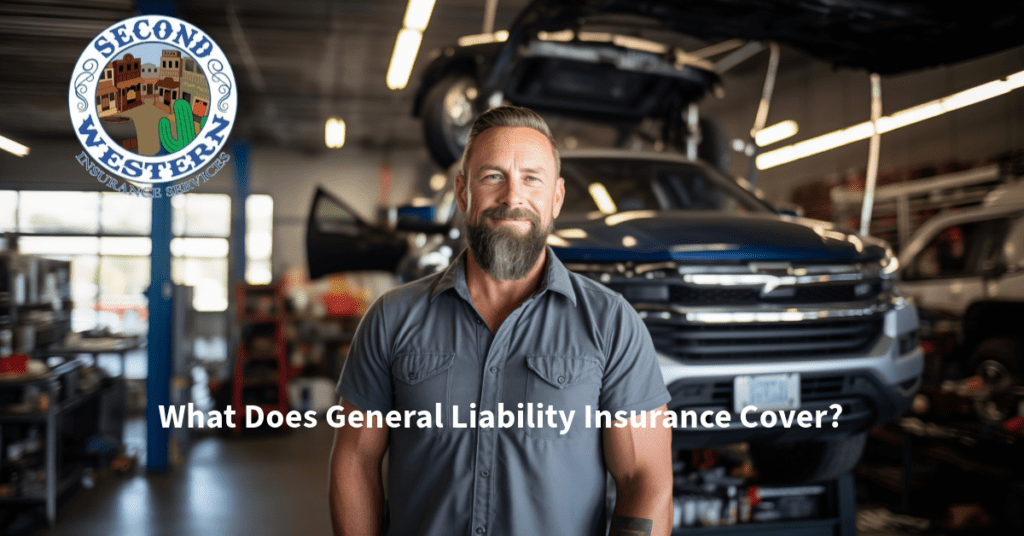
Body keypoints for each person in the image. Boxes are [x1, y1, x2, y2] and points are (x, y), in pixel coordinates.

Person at [329, 105, 673, 536]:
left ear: (556, 198)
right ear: (462, 192)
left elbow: (645, 479)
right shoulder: (391, 318)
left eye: (532, 178)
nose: (513, 197)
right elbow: (355, 461)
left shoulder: (611, 324)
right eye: (493, 176)